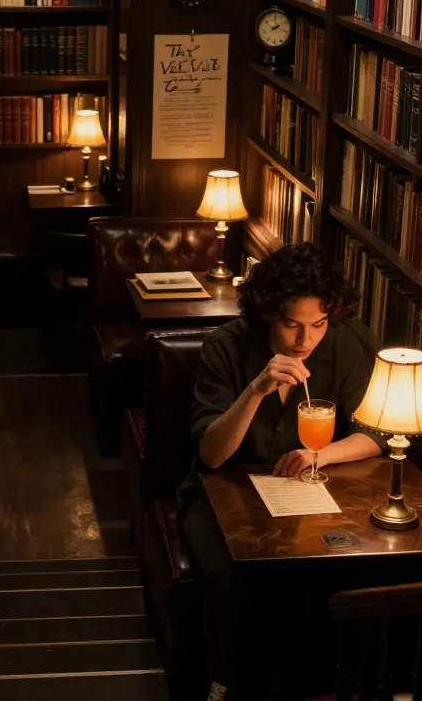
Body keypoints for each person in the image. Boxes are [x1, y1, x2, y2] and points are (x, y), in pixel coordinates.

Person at [179, 242, 385, 701]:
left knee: (339, 570)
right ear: (270, 312)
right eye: (292, 324)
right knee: (234, 575)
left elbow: (375, 432)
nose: (305, 340)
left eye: (318, 324)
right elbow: (212, 454)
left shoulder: (346, 345)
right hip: (224, 491)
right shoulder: (227, 346)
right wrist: (256, 390)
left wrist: (321, 455)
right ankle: (223, 685)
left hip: (304, 493)